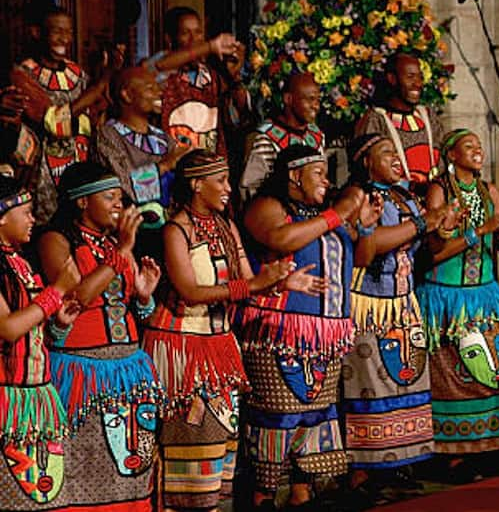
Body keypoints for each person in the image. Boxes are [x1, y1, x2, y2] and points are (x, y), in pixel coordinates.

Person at [141, 150, 311, 511]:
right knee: (194, 441)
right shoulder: (176, 229)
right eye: (220, 181)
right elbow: (190, 291)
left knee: (222, 447)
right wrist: (254, 286)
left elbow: (249, 281)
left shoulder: (225, 226)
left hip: (219, 346)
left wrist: (280, 283)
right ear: (196, 184)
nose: (229, 189)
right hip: (182, 347)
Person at [239, 145, 381, 511]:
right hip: (282, 330)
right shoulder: (268, 207)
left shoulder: (326, 215)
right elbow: (280, 240)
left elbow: (362, 259)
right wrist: (338, 214)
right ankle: (263, 495)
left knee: (315, 415)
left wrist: (361, 225)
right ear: (294, 176)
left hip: (328, 334)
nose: (327, 180)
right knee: (279, 413)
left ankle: (303, 493)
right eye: (318, 173)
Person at [417, 129, 499, 474]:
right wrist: (483, 230)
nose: (478, 150)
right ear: (452, 156)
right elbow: (435, 252)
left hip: (484, 294)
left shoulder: (490, 192)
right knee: (453, 373)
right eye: (468, 146)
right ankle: (453, 450)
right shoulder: (439, 191)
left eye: (479, 145)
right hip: (446, 298)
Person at [38, 164, 163, 511]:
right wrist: (121, 252)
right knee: (87, 461)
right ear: (81, 202)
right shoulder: (55, 240)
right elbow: (77, 297)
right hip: (82, 374)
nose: (118, 206)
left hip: (126, 371)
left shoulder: (114, 243)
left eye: (120, 199)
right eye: (109, 198)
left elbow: (137, 315)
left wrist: (143, 297)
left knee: (129, 463)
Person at [340, 133, 456, 502]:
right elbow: (369, 248)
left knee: (406, 380)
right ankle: (363, 474)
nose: (397, 157)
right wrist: (425, 222)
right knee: (370, 384)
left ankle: (397, 464)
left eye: (397, 151)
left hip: (404, 301)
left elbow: (428, 250)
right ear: (366, 162)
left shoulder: (406, 196)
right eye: (386, 153)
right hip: (369, 302)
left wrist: (446, 227)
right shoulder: (358, 196)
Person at [0, 175, 82, 511]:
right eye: (27, 211)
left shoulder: (22, 263)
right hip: (7, 399)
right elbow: (6, 328)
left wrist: (59, 327)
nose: (33, 219)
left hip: (37, 397)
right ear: (2, 216)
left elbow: (33, 330)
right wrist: (57, 291)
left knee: (43, 497)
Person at [17, 6, 108, 223]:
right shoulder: (23, 74)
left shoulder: (77, 73)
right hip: (40, 173)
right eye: (57, 31)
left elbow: (92, 120)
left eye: (68, 32)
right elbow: (54, 122)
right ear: (36, 33)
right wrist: (100, 84)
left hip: (77, 162)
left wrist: (81, 115)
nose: (64, 38)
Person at [97, 66, 191, 257]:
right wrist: (164, 167)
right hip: (132, 236)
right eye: (150, 88)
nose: (159, 92)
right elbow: (123, 188)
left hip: (170, 233)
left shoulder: (162, 137)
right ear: (127, 95)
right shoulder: (108, 135)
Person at [151, 6, 252, 159]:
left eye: (198, 32)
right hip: (171, 169)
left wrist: (234, 76)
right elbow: (160, 65)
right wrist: (211, 46)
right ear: (169, 39)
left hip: (208, 170)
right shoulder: (164, 70)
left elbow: (238, 120)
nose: (194, 39)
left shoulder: (210, 76)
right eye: (185, 33)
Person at [355, 53, 443, 198]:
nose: (418, 83)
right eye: (410, 77)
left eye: (420, 77)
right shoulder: (376, 119)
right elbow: (368, 172)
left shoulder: (428, 116)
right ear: (392, 79)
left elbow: (443, 160)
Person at [239, 72, 326, 204]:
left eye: (318, 100)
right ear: (288, 99)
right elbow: (250, 189)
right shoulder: (265, 137)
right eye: (310, 99)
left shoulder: (317, 135)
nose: (316, 106)